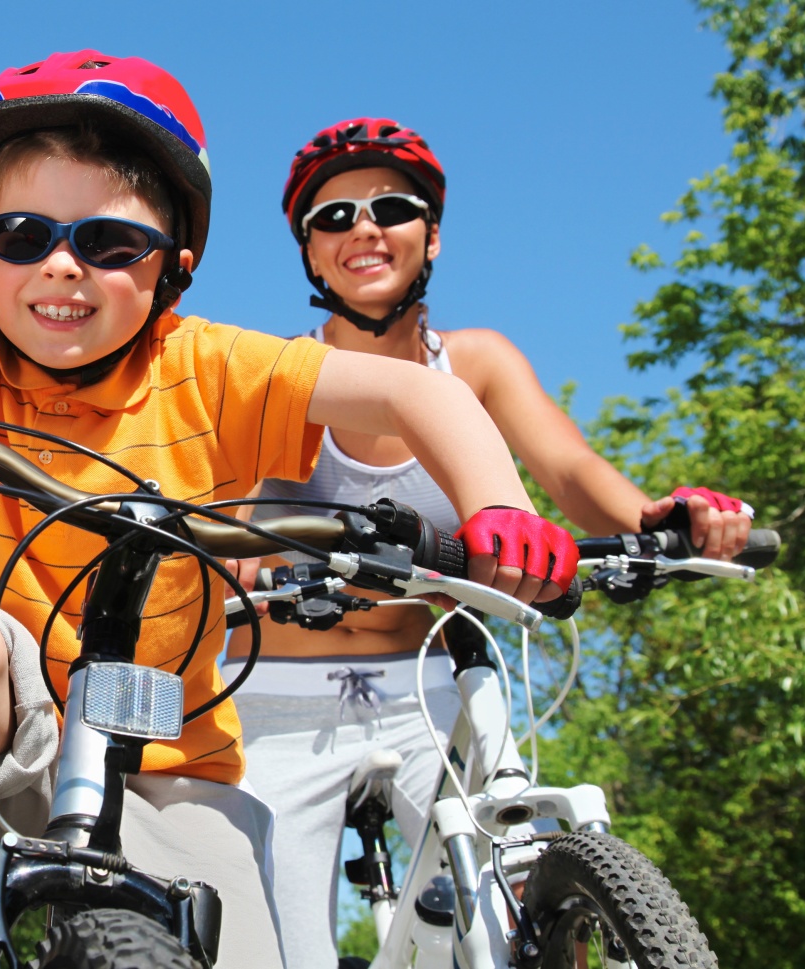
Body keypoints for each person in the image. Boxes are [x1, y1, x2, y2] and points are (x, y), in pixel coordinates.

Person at [0, 54, 580, 969]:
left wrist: (499, 506)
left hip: (173, 767)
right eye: (23, 235)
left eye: (110, 245)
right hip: (5, 741)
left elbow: (417, 396)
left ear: (175, 268)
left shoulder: (214, 366)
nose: (61, 267)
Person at [225, 116, 755, 968]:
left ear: (430, 235)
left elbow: (570, 467)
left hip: (435, 683)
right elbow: (232, 506)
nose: (364, 227)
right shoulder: (278, 375)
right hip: (281, 697)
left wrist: (658, 518)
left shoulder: (475, 364)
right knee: (276, 951)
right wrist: (241, 545)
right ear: (311, 254)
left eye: (391, 208)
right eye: (334, 218)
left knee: (511, 904)